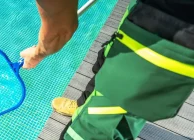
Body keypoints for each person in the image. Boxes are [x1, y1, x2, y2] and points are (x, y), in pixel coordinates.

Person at [20, 0, 194, 139]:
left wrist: (36, 54)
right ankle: (83, 106)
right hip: (144, 16)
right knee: (109, 61)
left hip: (173, 41)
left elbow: (61, 30)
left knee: (93, 133)